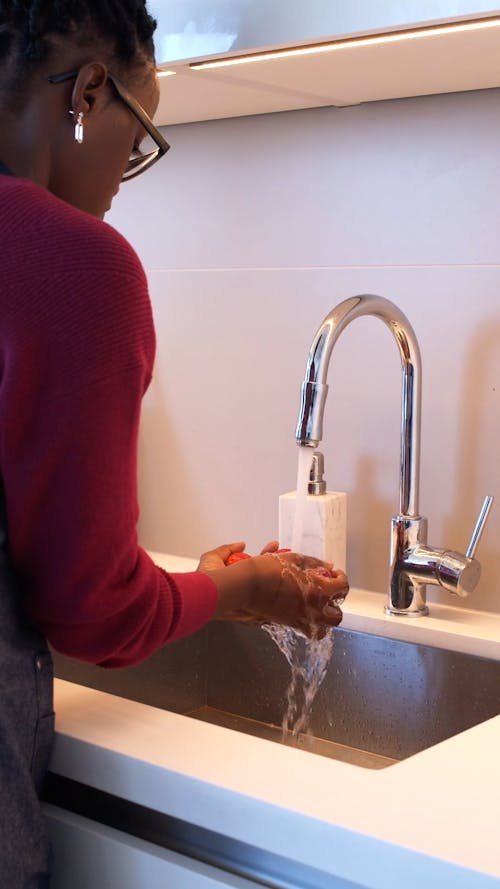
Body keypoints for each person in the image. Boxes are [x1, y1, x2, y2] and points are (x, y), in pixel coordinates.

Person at [0, 2, 349, 886]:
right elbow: (93, 611)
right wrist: (246, 585)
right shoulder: (77, 261)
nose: (127, 172)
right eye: (138, 133)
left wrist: (197, 584)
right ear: (87, 91)